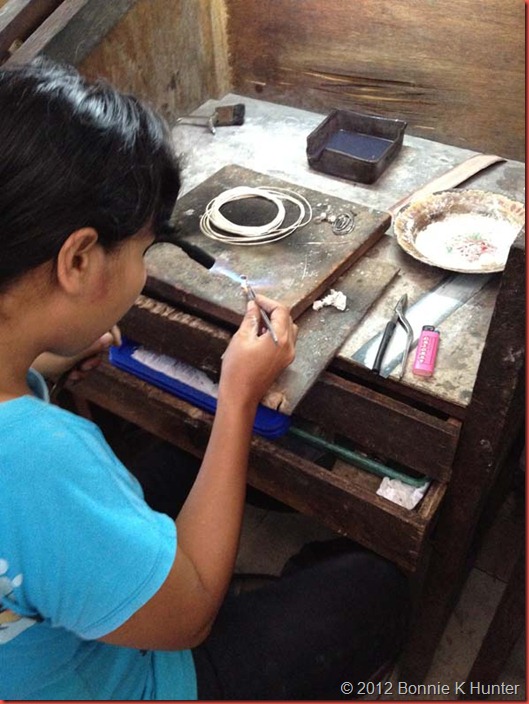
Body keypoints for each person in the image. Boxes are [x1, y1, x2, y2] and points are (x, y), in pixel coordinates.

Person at [0, 59, 410, 701]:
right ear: (78, 260)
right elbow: (190, 619)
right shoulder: (38, 460)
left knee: (178, 459)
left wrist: (35, 366)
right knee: (376, 586)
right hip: (129, 679)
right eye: (143, 251)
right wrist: (237, 399)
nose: (143, 268)